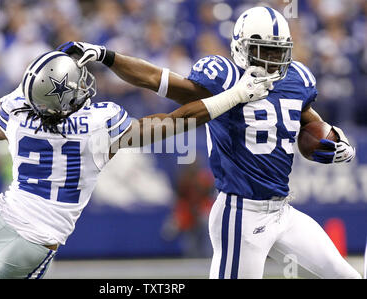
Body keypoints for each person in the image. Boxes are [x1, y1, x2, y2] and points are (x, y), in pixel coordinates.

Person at [60, 6, 361, 279]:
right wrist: (107, 56)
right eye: (263, 51)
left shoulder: (296, 78)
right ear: (242, 48)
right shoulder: (225, 76)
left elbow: (308, 118)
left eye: (277, 52)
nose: (271, 61)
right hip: (240, 213)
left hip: (283, 210)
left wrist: (337, 139)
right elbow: (157, 80)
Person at [0, 49, 275, 279]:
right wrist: (236, 95)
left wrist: (28, 87)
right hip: (29, 244)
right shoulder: (99, 125)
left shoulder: (16, 116)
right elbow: (176, 121)